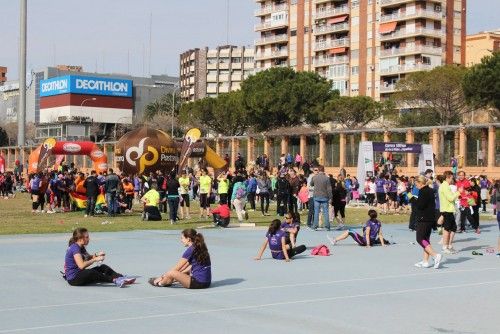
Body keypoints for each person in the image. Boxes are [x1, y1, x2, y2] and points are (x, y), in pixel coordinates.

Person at [63, 228, 136, 287]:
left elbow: (88, 258)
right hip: (74, 279)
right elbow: (81, 266)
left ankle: (121, 277)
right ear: (80, 239)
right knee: (91, 272)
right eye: (87, 237)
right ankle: (115, 280)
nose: (89, 239)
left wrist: (96, 255)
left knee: (103, 267)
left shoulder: (81, 247)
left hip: (81, 274)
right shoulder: (75, 248)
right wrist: (95, 259)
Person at [409, 176, 443, 269]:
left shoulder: (423, 191)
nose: (416, 186)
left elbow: (420, 206)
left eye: (416, 184)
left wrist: (411, 198)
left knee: (420, 239)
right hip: (430, 218)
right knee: (426, 239)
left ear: (420, 183)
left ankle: (435, 255)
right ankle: (425, 261)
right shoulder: (430, 190)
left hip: (424, 218)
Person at [438, 171, 459, 254]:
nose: (452, 179)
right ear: (448, 177)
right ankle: (445, 247)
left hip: (449, 209)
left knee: (453, 228)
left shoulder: (446, 186)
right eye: (451, 178)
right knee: (447, 229)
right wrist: (458, 192)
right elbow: (450, 198)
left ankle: (449, 245)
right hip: (447, 210)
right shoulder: (445, 186)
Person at [311, 165, 332, 231]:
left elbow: (311, 184)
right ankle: (327, 226)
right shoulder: (327, 178)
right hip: (324, 196)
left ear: (318, 170)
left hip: (316, 196)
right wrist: (330, 197)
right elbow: (329, 189)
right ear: (324, 170)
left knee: (316, 211)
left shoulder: (314, 177)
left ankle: (315, 226)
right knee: (326, 212)